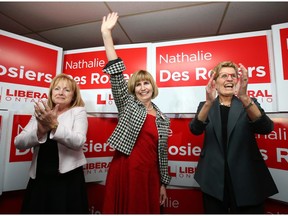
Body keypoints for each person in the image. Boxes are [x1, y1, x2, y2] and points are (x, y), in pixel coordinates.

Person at [101, 12, 171, 214]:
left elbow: (162, 156)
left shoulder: (162, 118)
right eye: (138, 84)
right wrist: (107, 35)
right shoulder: (127, 103)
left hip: (150, 175)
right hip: (126, 170)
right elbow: (116, 73)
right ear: (133, 88)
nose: (142, 88)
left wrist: (163, 183)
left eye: (146, 83)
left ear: (152, 86)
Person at [189, 61, 278, 214]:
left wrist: (244, 97)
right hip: (213, 178)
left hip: (247, 177)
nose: (229, 79)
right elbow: (195, 129)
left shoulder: (249, 103)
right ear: (215, 83)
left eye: (233, 76)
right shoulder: (205, 105)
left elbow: (266, 128)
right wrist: (209, 102)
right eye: (224, 76)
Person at [14, 73, 89, 214]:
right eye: (57, 88)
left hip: (67, 179)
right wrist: (39, 132)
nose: (61, 92)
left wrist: (54, 125)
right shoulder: (41, 112)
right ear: (51, 92)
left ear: (73, 95)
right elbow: (19, 142)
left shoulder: (78, 112)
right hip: (40, 177)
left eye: (67, 90)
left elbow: (78, 142)